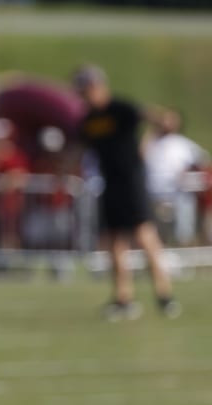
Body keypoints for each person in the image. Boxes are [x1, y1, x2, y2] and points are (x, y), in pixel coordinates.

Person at [72, 63, 182, 321]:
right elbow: (79, 148)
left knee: (145, 238)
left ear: (97, 86)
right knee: (115, 243)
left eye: (85, 88)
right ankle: (124, 299)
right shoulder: (89, 121)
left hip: (132, 183)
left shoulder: (120, 109)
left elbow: (157, 118)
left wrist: (159, 126)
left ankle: (164, 296)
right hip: (109, 184)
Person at [143, 105, 210, 246]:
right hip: (152, 194)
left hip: (177, 193)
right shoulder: (152, 143)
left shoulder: (182, 144)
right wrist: (151, 132)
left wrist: (187, 175)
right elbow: (140, 156)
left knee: (185, 207)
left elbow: (203, 163)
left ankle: (185, 241)